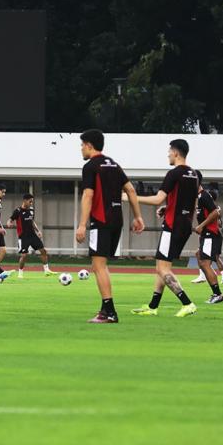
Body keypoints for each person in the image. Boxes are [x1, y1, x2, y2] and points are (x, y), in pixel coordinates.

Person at [74, 129, 145, 323]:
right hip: (117, 221)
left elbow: (88, 195)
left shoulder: (91, 166)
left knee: (99, 266)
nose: (81, 149)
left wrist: (81, 225)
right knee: (99, 266)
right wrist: (138, 216)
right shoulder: (114, 164)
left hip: (101, 220)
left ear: (89, 145)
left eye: (82, 145)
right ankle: (106, 310)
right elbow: (130, 189)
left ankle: (109, 312)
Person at [131, 139, 198, 318]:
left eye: (169, 151)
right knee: (160, 266)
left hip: (172, 225)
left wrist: (130, 197)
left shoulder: (174, 173)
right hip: (184, 224)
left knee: (163, 269)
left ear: (176, 153)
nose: (168, 154)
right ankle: (153, 306)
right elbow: (191, 202)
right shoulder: (193, 174)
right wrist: (168, 208)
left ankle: (187, 303)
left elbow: (157, 199)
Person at [193, 171, 223, 304]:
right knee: (201, 259)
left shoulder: (204, 196)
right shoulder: (199, 197)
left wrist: (201, 225)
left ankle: (218, 294)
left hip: (210, 235)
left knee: (205, 263)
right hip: (207, 235)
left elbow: (216, 212)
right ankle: (216, 290)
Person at [8, 194, 55, 278]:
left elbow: (32, 221)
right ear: (25, 201)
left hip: (33, 235)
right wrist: (9, 223)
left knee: (43, 251)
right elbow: (10, 219)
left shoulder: (31, 210)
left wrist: (38, 231)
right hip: (23, 237)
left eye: (32, 202)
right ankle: (20, 273)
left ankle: (47, 270)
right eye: (30, 201)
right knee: (24, 255)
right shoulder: (18, 211)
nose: (31, 203)